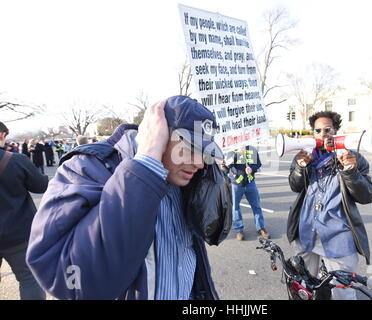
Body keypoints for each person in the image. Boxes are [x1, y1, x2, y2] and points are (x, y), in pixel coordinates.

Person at [26, 95, 225, 300]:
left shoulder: (184, 179)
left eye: (203, 152)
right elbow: (62, 276)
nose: (200, 163)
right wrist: (145, 167)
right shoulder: (87, 167)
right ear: (159, 134)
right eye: (190, 148)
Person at [286, 111, 372, 300]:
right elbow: (295, 186)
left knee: (342, 293)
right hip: (306, 233)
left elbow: (367, 195)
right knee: (305, 286)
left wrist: (350, 171)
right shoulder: (305, 157)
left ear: (336, 131)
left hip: (338, 237)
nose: (322, 134)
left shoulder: (353, 158)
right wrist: (301, 167)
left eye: (328, 129)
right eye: (317, 130)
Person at [0, 121, 48, 300]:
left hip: (17, 235)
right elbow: (41, 185)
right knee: (29, 278)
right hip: (18, 234)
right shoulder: (15, 160)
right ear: (2, 135)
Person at [226, 144, 269, 241]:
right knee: (235, 207)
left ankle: (261, 228)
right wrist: (236, 154)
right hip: (236, 183)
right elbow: (228, 165)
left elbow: (258, 164)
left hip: (250, 182)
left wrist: (252, 169)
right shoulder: (231, 149)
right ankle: (239, 230)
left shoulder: (252, 149)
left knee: (256, 205)